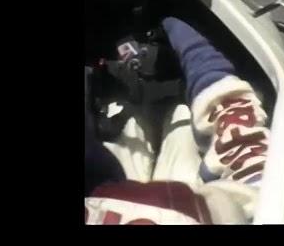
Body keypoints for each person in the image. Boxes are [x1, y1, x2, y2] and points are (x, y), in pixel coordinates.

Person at [85, 17, 270, 225]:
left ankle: (133, 110)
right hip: (202, 203)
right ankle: (167, 107)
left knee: (124, 118)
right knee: (181, 118)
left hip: (105, 186)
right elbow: (257, 191)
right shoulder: (261, 206)